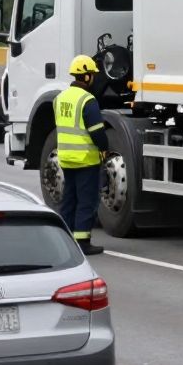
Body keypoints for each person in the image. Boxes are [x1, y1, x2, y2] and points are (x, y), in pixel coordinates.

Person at [54, 55, 109, 255]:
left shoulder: (60, 98)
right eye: (92, 74)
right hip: (86, 159)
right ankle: (83, 241)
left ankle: (65, 241)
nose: (93, 78)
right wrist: (104, 149)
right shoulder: (87, 100)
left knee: (69, 200)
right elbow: (97, 132)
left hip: (67, 158)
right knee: (87, 201)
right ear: (86, 77)